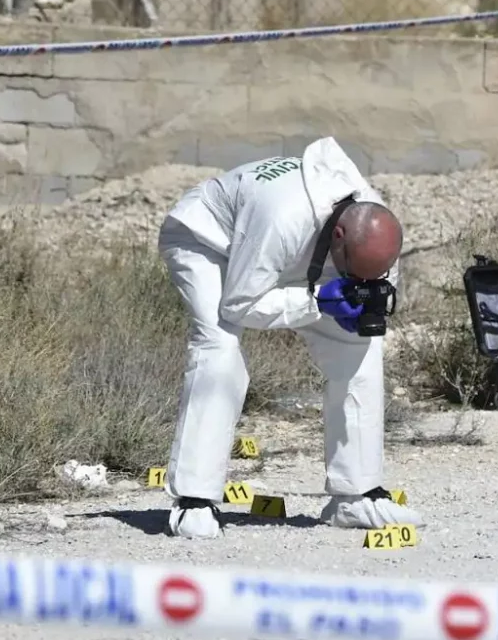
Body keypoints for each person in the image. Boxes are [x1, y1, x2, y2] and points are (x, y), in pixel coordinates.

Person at [157, 136, 422, 539]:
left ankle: (356, 496)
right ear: (339, 239)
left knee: (360, 348)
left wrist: (362, 307)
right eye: (356, 274)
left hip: (297, 251)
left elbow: (376, 288)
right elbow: (240, 305)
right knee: (221, 345)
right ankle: (194, 501)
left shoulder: (374, 223)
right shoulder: (283, 217)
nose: (360, 282)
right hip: (208, 241)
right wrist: (317, 299)